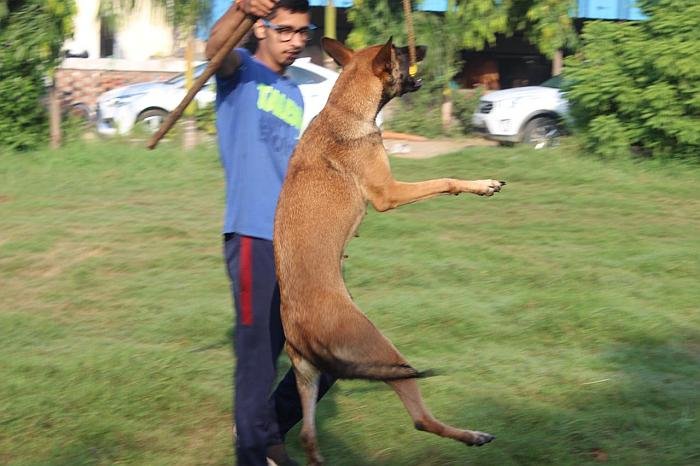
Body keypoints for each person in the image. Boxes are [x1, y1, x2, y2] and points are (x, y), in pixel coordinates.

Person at [206, 1, 335, 465]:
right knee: (258, 355)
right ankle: (254, 454)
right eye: (287, 31)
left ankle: (269, 433)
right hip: (250, 236)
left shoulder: (295, 94)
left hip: (293, 240)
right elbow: (215, 50)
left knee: (327, 346)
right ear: (262, 28)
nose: (297, 41)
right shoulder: (240, 72)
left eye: (304, 32)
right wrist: (240, 8)